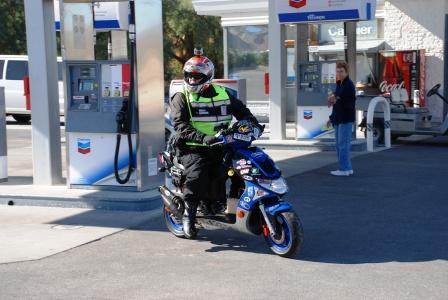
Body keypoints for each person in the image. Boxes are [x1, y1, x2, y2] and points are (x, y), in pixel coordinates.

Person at [170, 48, 259, 238]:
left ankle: (233, 209)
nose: (192, 80)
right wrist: (203, 138)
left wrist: (252, 124)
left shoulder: (224, 93)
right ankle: (189, 215)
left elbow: (243, 113)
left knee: (243, 171)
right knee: (198, 174)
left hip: (221, 145)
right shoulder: (181, 97)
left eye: (196, 76)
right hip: (192, 147)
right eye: (189, 76)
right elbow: (180, 125)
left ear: (208, 76)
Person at [328, 62, 356, 177]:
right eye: (337, 71)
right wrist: (333, 99)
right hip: (339, 118)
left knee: (342, 145)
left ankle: (343, 169)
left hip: (345, 118)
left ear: (346, 72)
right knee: (341, 144)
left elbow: (348, 102)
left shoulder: (349, 84)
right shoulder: (339, 83)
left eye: (341, 71)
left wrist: (336, 99)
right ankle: (347, 168)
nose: (339, 73)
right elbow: (336, 97)